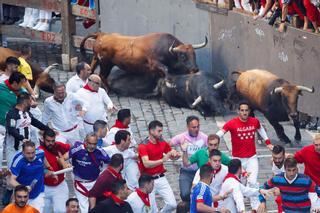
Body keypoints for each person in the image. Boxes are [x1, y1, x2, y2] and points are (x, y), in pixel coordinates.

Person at [216, 101, 273, 211]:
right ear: (238, 111)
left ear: (249, 111)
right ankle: (238, 207)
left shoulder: (254, 121)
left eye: (246, 110)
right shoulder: (232, 123)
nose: (244, 112)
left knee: (252, 182)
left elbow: (260, 129)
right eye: (242, 110)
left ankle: (255, 207)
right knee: (238, 184)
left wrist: (268, 142)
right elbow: (220, 133)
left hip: (252, 158)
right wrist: (212, 141)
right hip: (237, 160)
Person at [138, 120, 180, 212]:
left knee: (172, 204)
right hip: (148, 180)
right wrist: (163, 160)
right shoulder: (143, 145)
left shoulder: (162, 142)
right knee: (151, 208)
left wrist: (176, 154)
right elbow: (146, 164)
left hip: (161, 177)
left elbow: (172, 156)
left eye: (161, 131)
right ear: (151, 131)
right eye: (159, 131)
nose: (161, 133)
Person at [5, 93, 50, 167]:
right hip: (14, 149)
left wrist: (48, 129)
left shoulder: (27, 113)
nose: (31, 103)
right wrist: (22, 138)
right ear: (25, 102)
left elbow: (36, 123)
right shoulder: (12, 114)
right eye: (30, 101)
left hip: (25, 149)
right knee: (12, 172)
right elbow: (11, 129)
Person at [9, 141, 56, 212]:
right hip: (21, 196)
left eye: (33, 152)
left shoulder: (41, 153)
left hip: (38, 193)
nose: (31, 156)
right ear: (23, 152)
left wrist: (50, 171)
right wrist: (23, 188)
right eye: (28, 153)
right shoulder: (18, 161)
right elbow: (11, 180)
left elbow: (46, 166)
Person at [69, 133, 110, 213]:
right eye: (90, 143)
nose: (92, 146)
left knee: (96, 207)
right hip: (80, 184)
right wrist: (65, 164)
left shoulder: (100, 151)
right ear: (85, 142)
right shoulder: (77, 149)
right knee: (84, 209)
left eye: (94, 144)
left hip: (95, 183)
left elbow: (109, 162)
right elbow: (64, 157)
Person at [170, 115, 208, 202]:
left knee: (201, 196)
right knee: (184, 194)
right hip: (186, 171)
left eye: (198, 126)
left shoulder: (204, 137)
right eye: (194, 127)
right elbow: (167, 145)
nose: (196, 129)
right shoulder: (181, 137)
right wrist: (173, 152)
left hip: (200, 172)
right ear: (188, 127)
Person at [0, 71, 27, 174]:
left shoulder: (22, 91)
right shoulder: (1, 88)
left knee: (14, 148)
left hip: (14, 126)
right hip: (1, 124)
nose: (23, 86)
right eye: (21, 83)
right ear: (15, 83)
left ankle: (15, 170)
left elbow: (28, 101)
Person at [39, 129, 71, 213]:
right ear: (43, 139)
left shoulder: (59, 146)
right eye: (48, 141)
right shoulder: (39, 151)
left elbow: (73, 149)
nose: (51, 143)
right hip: (44, 188)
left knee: (62, 211)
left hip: (60, 186)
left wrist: (63, 159)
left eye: (53, 141)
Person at [271, 145, 286, 213]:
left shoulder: (289, 162)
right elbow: (274, 174)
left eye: (279, 158)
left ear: (284, 156)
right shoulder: (272, 161)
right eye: (275, 158)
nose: (277, 160)